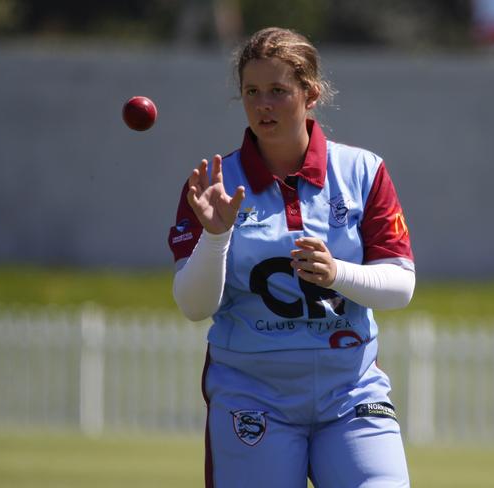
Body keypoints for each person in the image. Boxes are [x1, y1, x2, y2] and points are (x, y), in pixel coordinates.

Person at [168, 27, 415, 488]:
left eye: (279, 91)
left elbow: (401, 285)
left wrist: (337, 273)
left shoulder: (362, 171)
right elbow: (193, 306)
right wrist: (217, 236)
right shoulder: (214, 183)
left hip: (351, 391)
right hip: (252, 393)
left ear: (311, 94)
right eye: (252, 92)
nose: (263, 104)